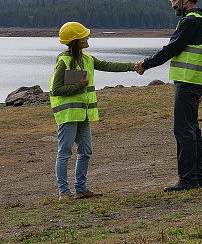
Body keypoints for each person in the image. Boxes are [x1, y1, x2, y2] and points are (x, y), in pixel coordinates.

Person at [134, 0, 202, 192]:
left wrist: (145, 64)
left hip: (188, 82)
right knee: (192, 129)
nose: (173, 5)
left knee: (183, 130)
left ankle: (187, 179)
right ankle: (196, 178)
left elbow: (171, 48)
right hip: (194, 82)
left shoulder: (191, 21)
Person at [49, 21, 137, 200]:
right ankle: (64, 192)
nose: (88, 37)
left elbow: (109, 65)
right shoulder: (64, 62)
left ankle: (81, 189)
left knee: (86, 150)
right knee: (64, 152)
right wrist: (77, 86)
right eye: (84, 35)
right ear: (76, 40)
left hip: (83, 114)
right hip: (68, 115)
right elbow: (55, 90)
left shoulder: (88, 59)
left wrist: (133, 66)